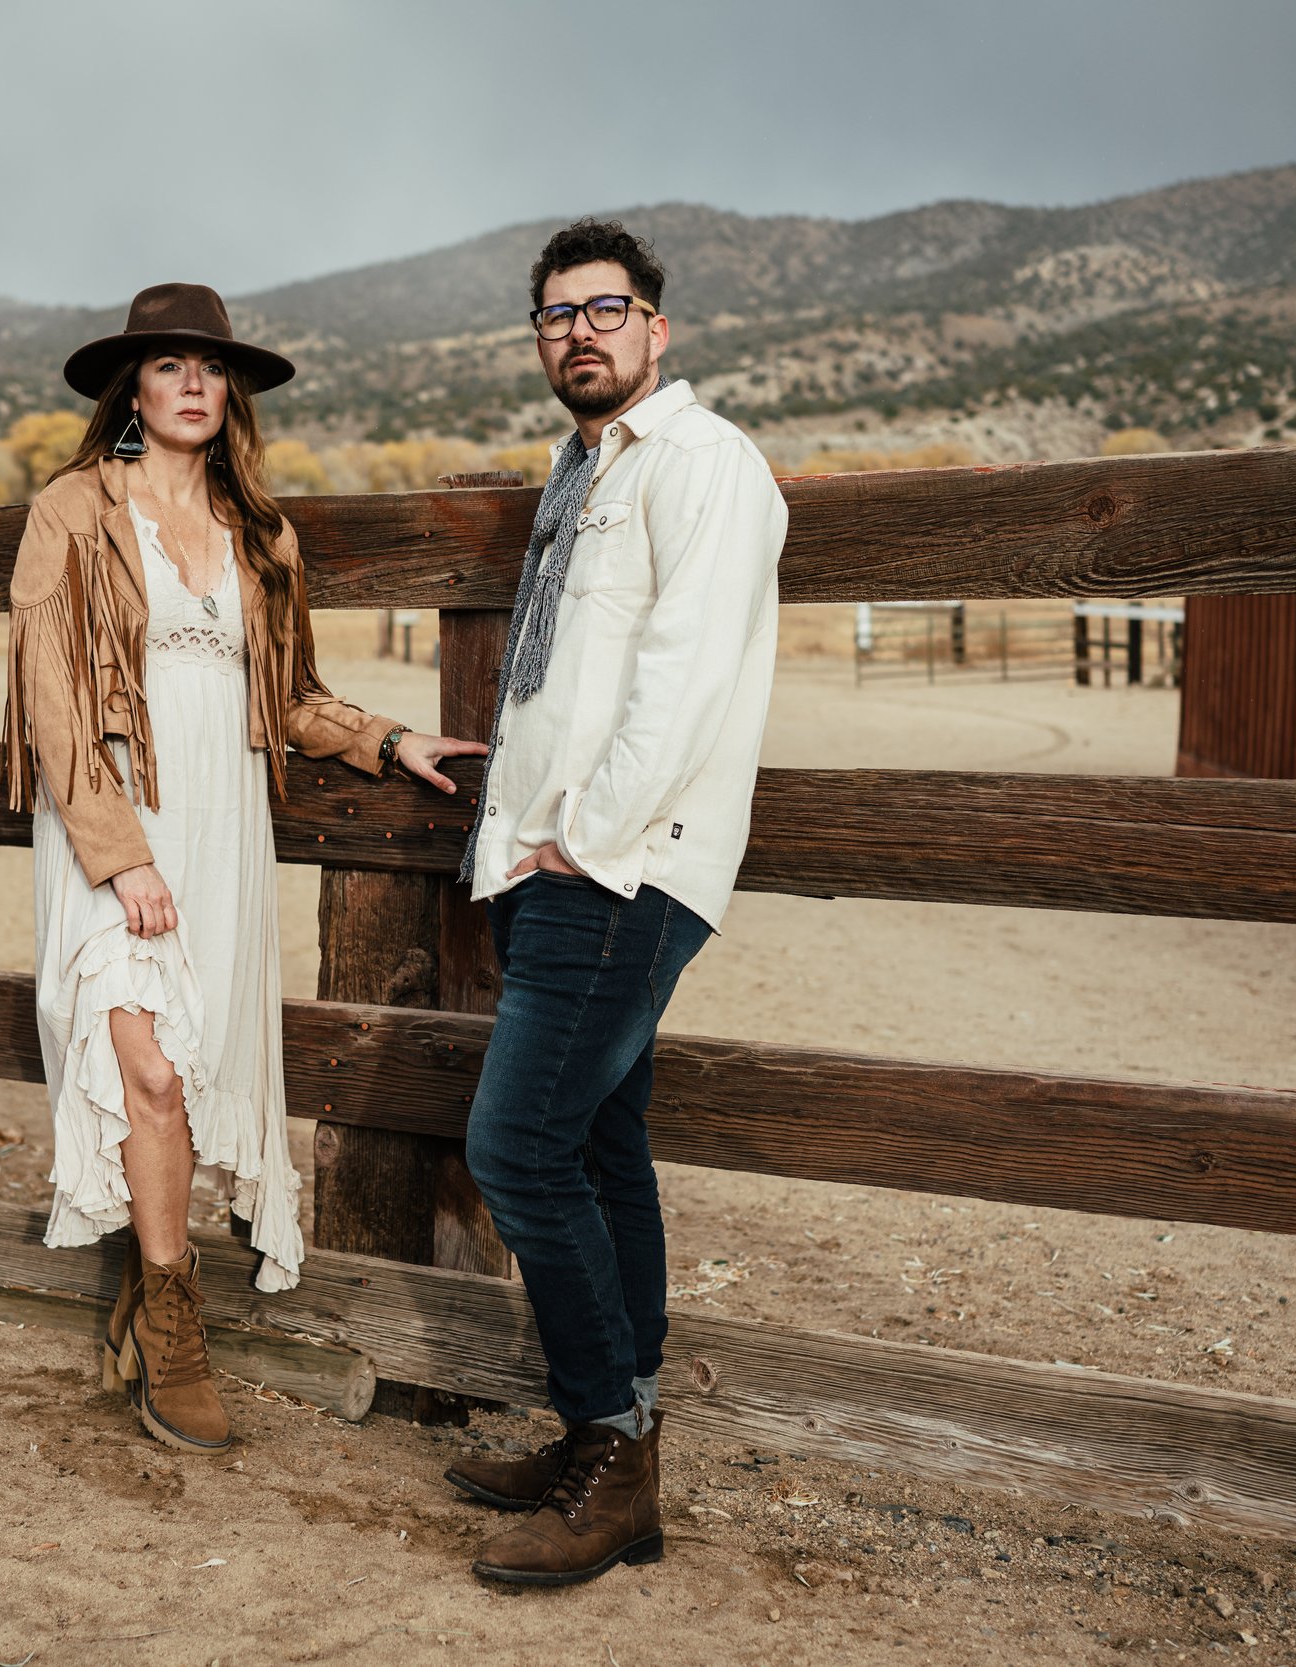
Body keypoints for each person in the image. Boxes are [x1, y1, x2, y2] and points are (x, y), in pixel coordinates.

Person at [3, 283, 483, 1454]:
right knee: (150, 1072)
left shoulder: (260, 533)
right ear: (131, 387)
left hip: (226, 831)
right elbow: (51, 696)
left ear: (231, 394)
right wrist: (121, 859)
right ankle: (177, 1322)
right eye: (167, 366)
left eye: (210, 369)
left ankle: (141, 1297)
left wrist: (386, 739)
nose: (191, 385)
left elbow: (292, 696)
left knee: (187, 1064)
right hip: (116, 825)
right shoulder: (72, 509)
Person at [444, 222, 788, 1584]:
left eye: (605, 309)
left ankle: (614, 1454)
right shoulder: (581, 472)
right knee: (594, 1152)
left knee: (514, 1149)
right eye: (554, 317)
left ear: (660, 329)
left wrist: (585, 841)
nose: (577, 332)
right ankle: (611, 1437)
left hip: (621, 861)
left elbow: (683, 676)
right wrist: (519, 841)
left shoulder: (705, 465)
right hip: (547, 856)